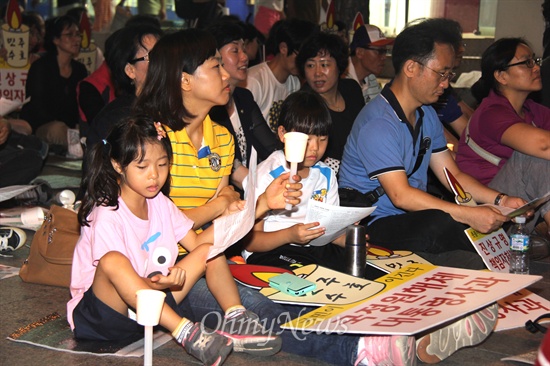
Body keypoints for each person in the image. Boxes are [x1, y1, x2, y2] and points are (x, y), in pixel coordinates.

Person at [69, 115, 282, 365]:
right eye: (142, 167)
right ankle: (187, 333)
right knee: (112, 260)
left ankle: (236, 318)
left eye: (162, 164)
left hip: (151, 311)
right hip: (103, 315)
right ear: (117, 165)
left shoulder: (160, 203)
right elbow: (119, 279)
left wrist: (258, 206)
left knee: (209, 251)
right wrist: (158, 284)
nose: (154, 176)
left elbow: (200, 244)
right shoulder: (107, 214)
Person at [338, 18, 527, 268]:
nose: (446, 84)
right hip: (370, 226)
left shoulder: (426, 114)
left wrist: (501, 200)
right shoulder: (379, 123)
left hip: (412, 220)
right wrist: (469, 215)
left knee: (457, 228)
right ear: (411, 68)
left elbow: (454, 176)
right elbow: (401, 196)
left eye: (450, 74)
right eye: (441, 73)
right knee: (441, 224)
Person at [242, 90, 352, 272]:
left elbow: (327, 232)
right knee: (304, 274)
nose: (315, 148)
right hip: (270, 250)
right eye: (306, 140)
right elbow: (251, 242)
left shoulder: (326, 174)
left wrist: (347, 236)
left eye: (322, 139)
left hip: (312, 247)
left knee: (351, 269)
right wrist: (289, 235)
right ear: (283, 134)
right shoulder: (267, 174)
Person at [457, 37, 550, 236]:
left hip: (519, 205)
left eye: (534, 61)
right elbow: (544, 146)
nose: (535, 68)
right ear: (501, 76)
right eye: (526, 63)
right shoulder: (491, 113)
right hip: (488, 210)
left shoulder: (532, 111)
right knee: (534, 157)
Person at [207, 19, 280, 191]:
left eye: (244, 49)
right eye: (235, 51)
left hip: (251, 190)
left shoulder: (243, 98)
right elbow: (229, 167)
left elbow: (270, 147)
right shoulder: (208, 108)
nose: (244, 57)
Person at [86, 23, 163, 152]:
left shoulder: (177, 108)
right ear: (130, 70)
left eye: (164, 53)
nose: (162, 61)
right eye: (152, 56)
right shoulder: (115, 120)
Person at [297, 31, 364, 174]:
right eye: (310, 65)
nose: (317, 73)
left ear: (340, 66)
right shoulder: (303, 105)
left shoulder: (352, 90)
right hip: (324, 178)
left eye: (324, 64)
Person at [20, 15, 88, 149]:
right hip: (42, 125)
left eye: (78, 35)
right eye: (69, 35)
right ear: (56, 39)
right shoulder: (41, 67)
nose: (76, 40)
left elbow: (81, 102)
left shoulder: (80, 69)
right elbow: (36, 105)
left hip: (71, 126)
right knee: (58, 130)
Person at [243, 19, 318, 131]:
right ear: (283, 48)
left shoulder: (294, 82)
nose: (304, 62)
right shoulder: (254, 81)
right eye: (301, 55)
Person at [345, 24, 393, 104]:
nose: (384, 57)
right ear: (360, 52)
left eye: (385, 51)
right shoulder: (341, 80)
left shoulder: (370, 78)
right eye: (380, 51)